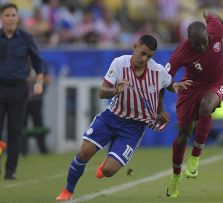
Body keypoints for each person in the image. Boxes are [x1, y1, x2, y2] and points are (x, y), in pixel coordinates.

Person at [56, 34, 191, 201]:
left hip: (133, 127)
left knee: (108, 171)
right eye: (142, 53)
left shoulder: (157, 71)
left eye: (149, 56)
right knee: (84, 152)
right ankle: (68, 191)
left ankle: (106, 163)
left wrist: (172, 90)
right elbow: (101, 92)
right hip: (112, 117)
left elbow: (167, 84)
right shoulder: (119, 63)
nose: (144, 58)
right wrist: (115, 90)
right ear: (134, 46)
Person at [165, 10, 223, 198]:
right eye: (197, 44)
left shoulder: (215, 30)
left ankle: (195, 157)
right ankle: (175, 178)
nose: (202, 47)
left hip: (217, 83)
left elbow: (211, 14)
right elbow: (165, 79)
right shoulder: (181, 53)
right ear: (188, 41)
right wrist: (173, 85)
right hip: (190, 89)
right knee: (183, 134)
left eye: (205, 42)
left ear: (209, 35)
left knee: (206, 106)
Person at [0, 3, 44, 180]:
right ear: (2, 18)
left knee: (15, 131)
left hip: (19, 89)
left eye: (13, 15)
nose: (11, 18)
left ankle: (11, 170)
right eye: (7, 15)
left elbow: (37, 62)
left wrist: (39, 82)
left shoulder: (26, 38)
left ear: (18, 18)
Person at [21, 66, 51, 155]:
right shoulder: (20, 64)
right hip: (23, 100)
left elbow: (48, 79)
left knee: (38, 125)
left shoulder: (40, 64)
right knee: (22, 125)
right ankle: (23, 150)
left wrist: (37, 80)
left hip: (36, 101)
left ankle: (43, 150)